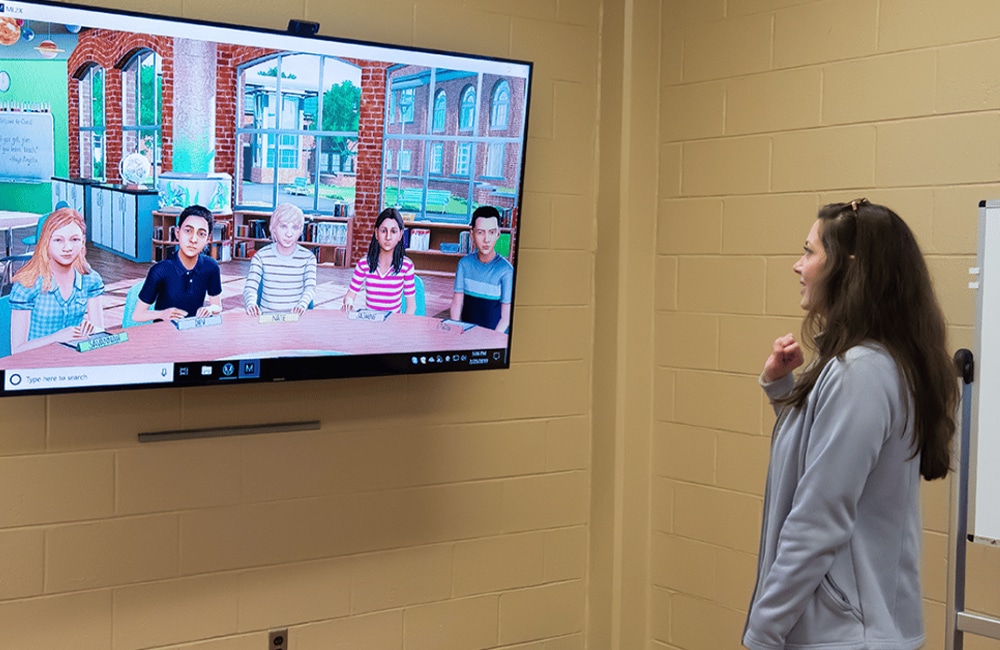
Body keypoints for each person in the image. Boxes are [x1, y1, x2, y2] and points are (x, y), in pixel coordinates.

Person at [743, 199, 958, 650]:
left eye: (810, 252)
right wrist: (783, 391)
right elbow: (827, 462)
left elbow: (817, 520)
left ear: (848, 268)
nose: (797, 265)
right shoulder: (871, 363)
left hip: (846, 636)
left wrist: (761, 634)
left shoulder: (859, 371)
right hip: (856, 630)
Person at [9, 207, 105, 354]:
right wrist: (57, 338)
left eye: (75, 239)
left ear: (83, 241)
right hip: (36, 365)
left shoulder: (91, 280)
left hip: (73, 361)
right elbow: (17, 350)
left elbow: (100, 334)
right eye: (58, 240)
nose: (67, 248)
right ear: (46, 242)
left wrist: (90, 334)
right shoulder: (28, 285)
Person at [132, 204, 222, 323]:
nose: (193, 240)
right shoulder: (160, 270)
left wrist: (210, 309)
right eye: (188, 231)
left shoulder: (211, 267)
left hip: (193, 332)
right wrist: (163, 314)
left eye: (201, 234)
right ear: (177, 233)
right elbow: (137, 315)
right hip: (164, 335)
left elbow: (218, 306)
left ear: (208, 239)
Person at [242, 203, 317, 315]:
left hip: (296, 319)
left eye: (295, 227)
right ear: (273, 228)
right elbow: (250, 286)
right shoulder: (260, 256)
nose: (289, 233)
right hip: (267, 320)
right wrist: (251, 303)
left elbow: (310, 288)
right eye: (283, 226)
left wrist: (302, 304)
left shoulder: (308, 258)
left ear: (301, 231)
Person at [450, 205, 513, 332]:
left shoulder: (506, 271)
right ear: (472, 235)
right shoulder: (464, 265)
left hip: (495, 338)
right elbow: (457, 304)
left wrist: (490, 342)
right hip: (466, 335)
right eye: (480, 232)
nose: (486, 239)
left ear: (498, 234)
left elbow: (506, 318)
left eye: (491, 232)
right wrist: (455, 329)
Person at [342, 207, 416, 314]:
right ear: (376, 233)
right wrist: (348, 302)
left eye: (393, 231)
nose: (388, 237)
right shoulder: (364, 264)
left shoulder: (406, 266)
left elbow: (411, 306)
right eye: (383, 231)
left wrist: (402, 327)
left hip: (393, 325)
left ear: (400, 235)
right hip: (370, 324)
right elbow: (350, 294)